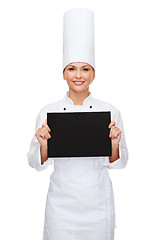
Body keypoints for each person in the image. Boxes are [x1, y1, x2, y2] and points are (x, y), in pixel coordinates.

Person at [27, 8, 128, 240]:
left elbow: (119, 164)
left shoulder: (110, 111)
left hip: (97, 204)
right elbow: (37, 164)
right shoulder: (48, 112)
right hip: (60, 207)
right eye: (72, 68)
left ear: (93, 74)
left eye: (85, 69)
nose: (78, 75)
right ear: (63, 74)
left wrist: (114, 143)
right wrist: (43, 144)